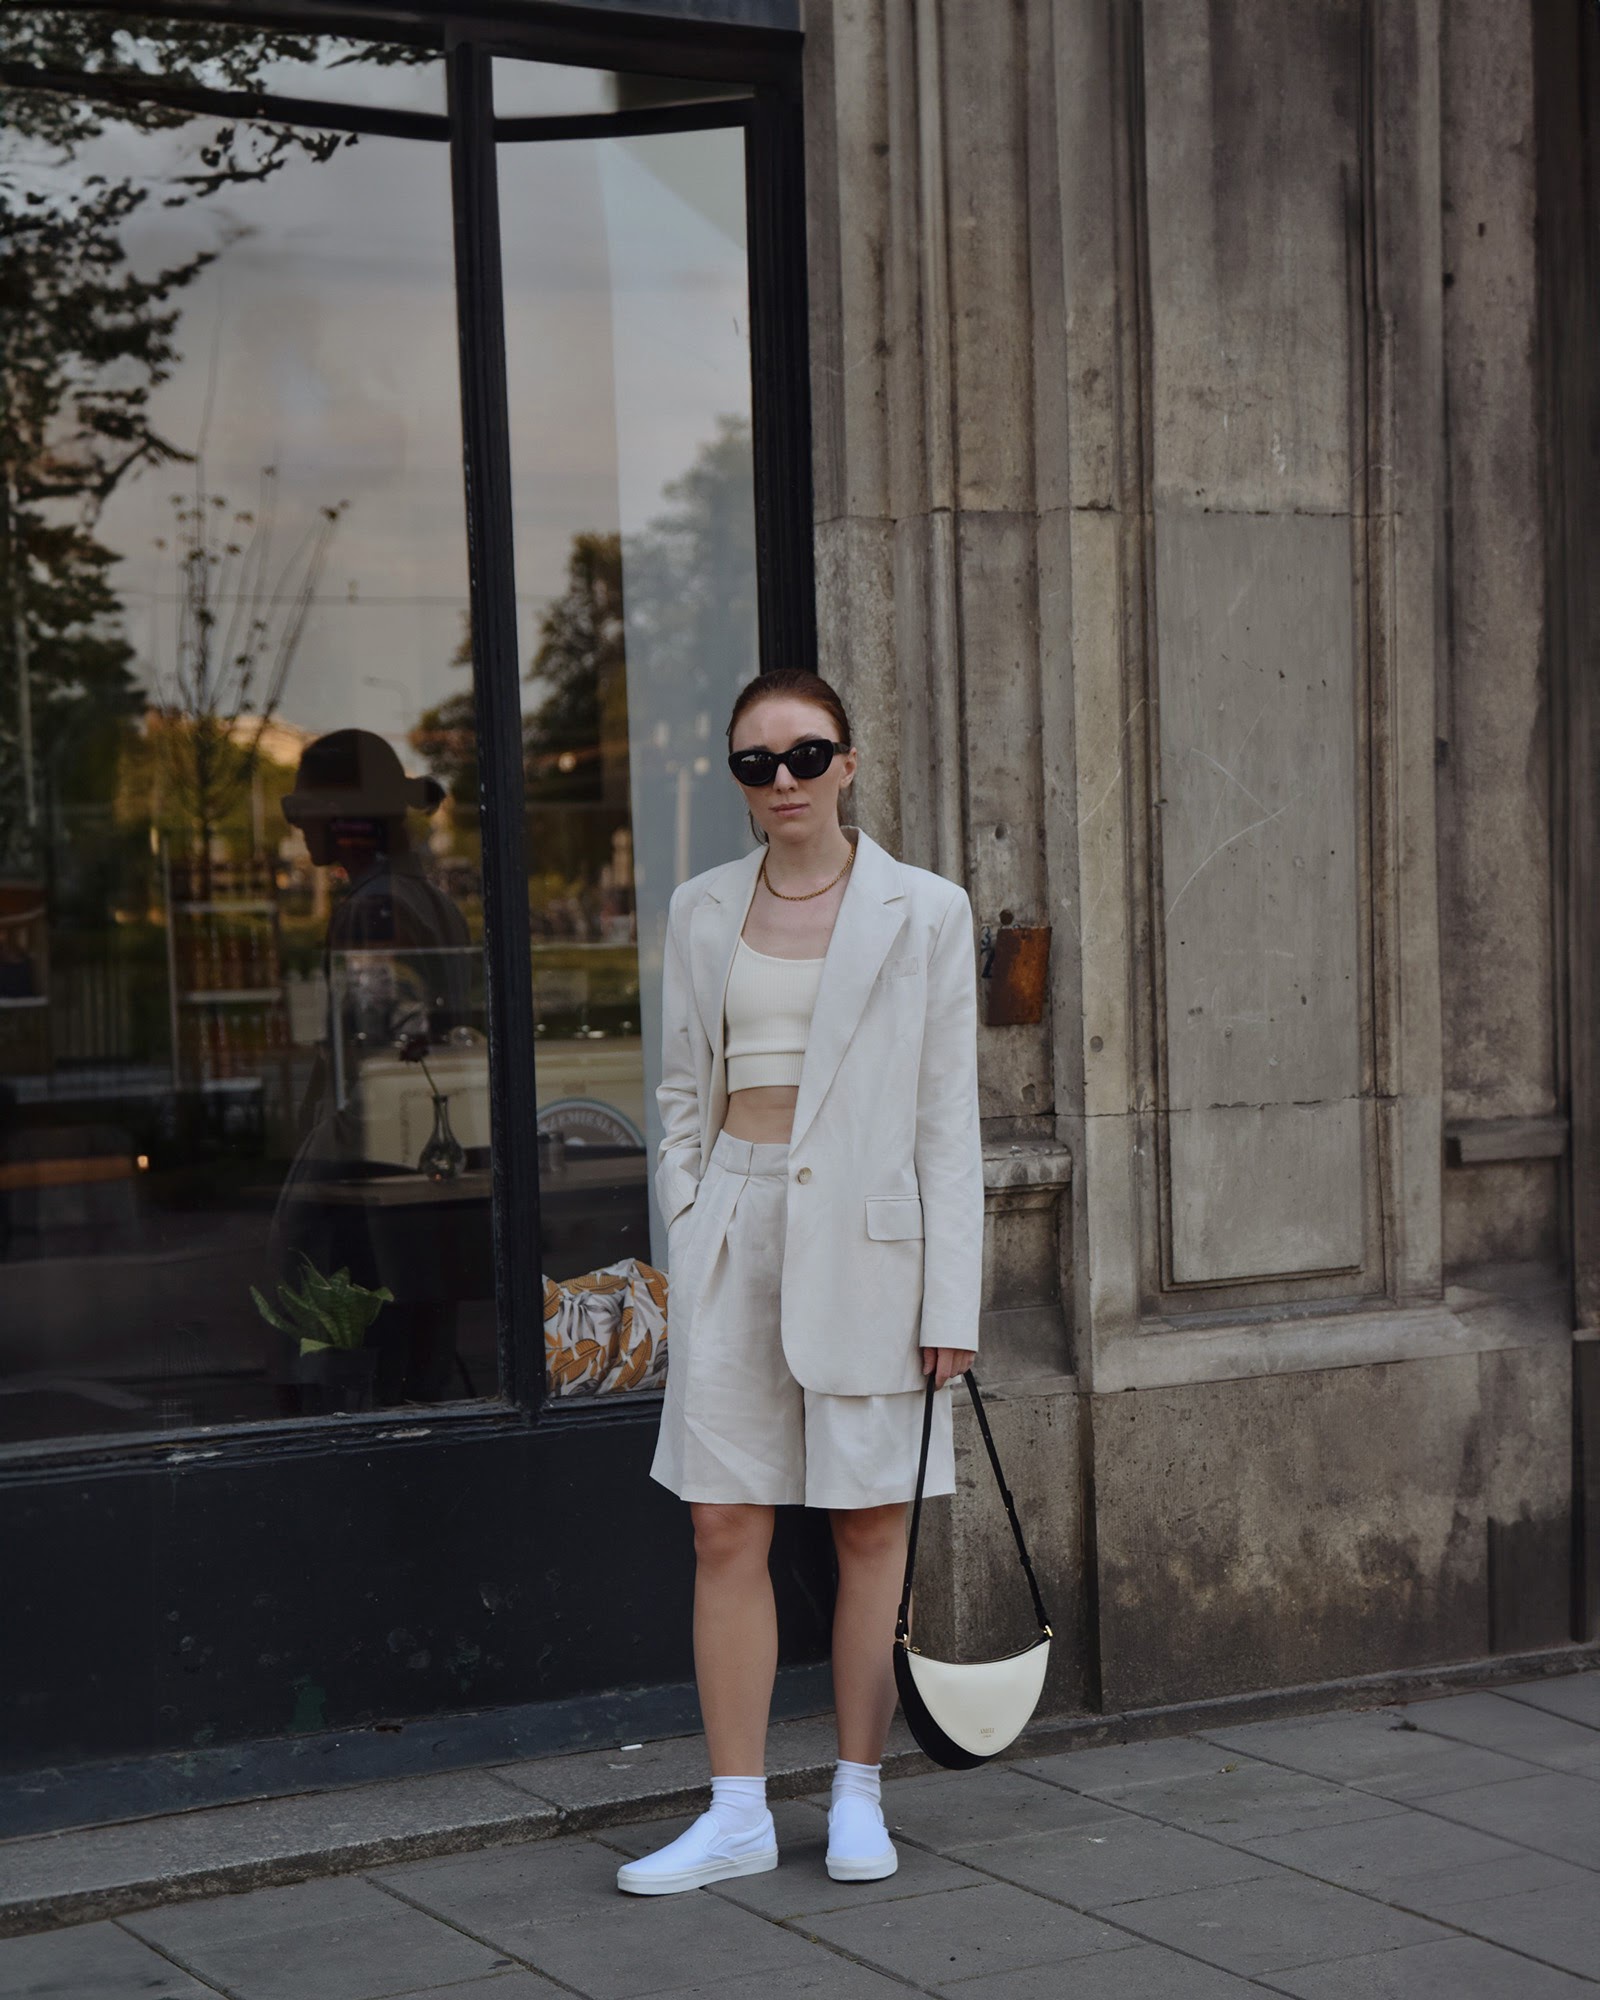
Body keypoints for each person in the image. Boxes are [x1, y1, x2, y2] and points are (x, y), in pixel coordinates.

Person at [617, 670, 982, 1896]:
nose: (783, 780)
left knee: (870, 1522)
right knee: (722, 1521)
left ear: (849, 761)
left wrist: (951, 1300)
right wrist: (691, 1213)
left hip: (873, 1248)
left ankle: (859, 1790)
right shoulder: (701, 906)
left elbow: (948, 1121)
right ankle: (735, 1812)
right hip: (734, 1228)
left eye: (806, 754)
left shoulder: (926, 911)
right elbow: (680, 1088)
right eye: (755, 762)